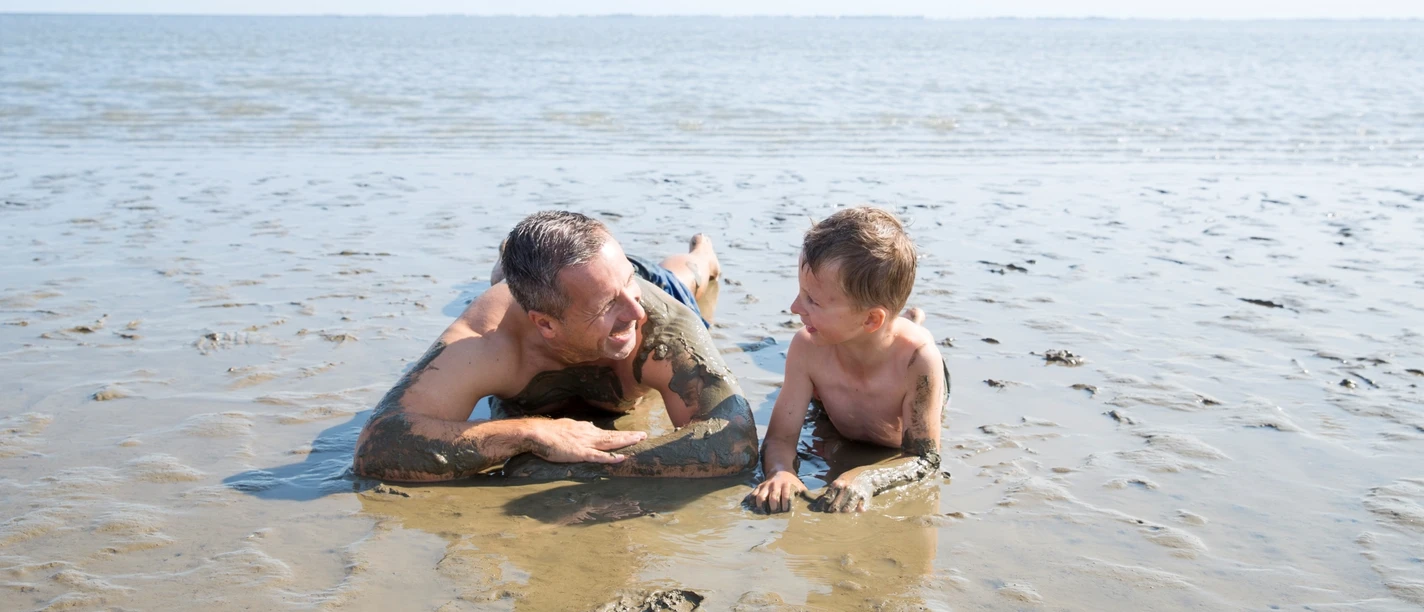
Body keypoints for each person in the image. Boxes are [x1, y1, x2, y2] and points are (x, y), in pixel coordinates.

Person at [352, 210, 757, 482]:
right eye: (608, 306)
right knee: (505, 279)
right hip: (547, 291)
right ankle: (508, 263)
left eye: (628, 289)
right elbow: (380, 444)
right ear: (544, 324)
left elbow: (733, 437)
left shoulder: (658, 323)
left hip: (646, 283)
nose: (635, 313)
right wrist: (529, 434)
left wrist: (587, 464)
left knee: (684, 278)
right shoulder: (487, 339)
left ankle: (701, 255)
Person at [747, 207, 949, 513]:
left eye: (812, 300)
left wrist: (866, 478)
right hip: (840, 381)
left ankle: (912, 322)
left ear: (870, 319)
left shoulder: (918, 364)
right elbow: (780, 437)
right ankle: (905, 318)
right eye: (801, 293)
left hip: (908, 365)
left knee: (919, 346)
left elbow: (925, 457)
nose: (794, 307)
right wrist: (781, 472)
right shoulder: (808, 346)